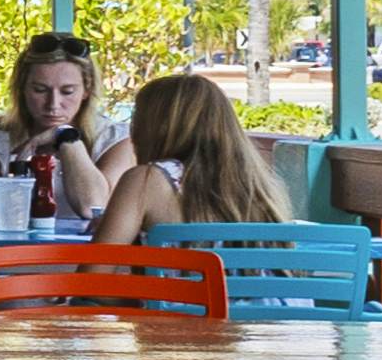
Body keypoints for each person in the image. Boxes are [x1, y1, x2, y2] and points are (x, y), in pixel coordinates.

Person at [90, 70, 296, 247]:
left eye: (136, 118)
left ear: (153, 127)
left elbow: (96, 273)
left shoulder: (146, 180)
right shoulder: (260, 185)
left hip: (187, 285)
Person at [0, 30, 117, 223]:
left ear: (86, 91)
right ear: (22, 89)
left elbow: (93, 208)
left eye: (67, 91)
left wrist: (66, 138)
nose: (53, 104)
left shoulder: (113, 138)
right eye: (40, 90)